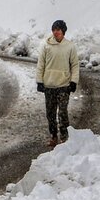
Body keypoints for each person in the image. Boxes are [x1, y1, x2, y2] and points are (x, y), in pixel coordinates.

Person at [36, 19, 80, 147]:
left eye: (58, 30)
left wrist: (73, 81)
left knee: (62, 113)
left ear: (63, 31)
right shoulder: (46, 45)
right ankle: (53, 136)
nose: (56, 32)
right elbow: (41, 64)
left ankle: (64, 137)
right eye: (54, 30)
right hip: (49, 85)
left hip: (63, 86)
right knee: (50, 113)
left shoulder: (70, 46)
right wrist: (39, 81)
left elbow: (75, 65)